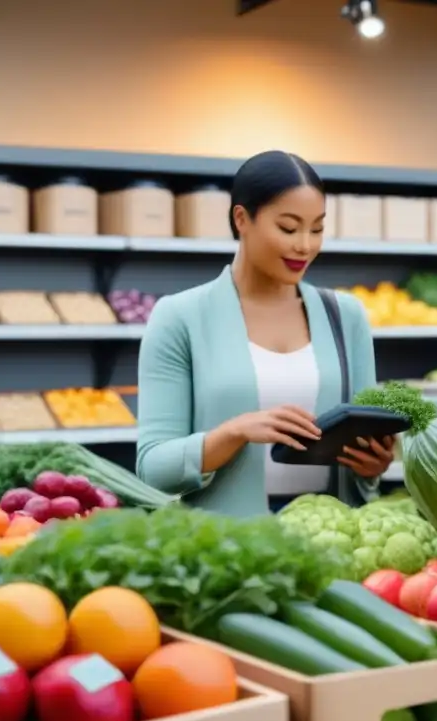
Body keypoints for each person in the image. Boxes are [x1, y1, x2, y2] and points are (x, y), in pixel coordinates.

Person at [136, 151, 393, 515]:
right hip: (228, 548)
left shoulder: (346, 316)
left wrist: (371, 467)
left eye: (317, 228)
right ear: (242, 219)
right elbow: (152, 468)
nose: (305, 245)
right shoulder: (180, 318)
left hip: (334, 543)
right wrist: (233, 433)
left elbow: (364, 460)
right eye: (288, 228)